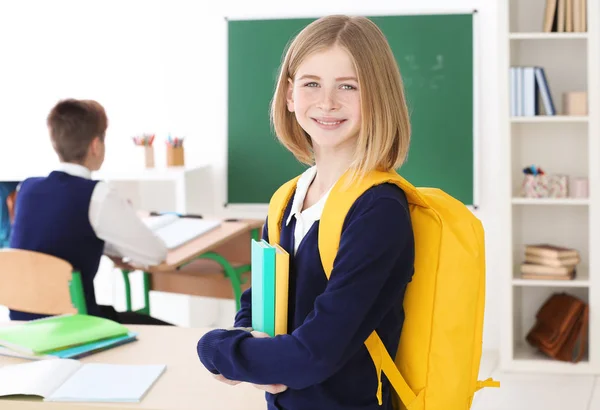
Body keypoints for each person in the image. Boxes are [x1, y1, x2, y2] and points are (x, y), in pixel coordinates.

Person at [197, 15, 415, 410]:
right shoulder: (289, 198)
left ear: (378, 95)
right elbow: (260, 301)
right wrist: (243, 340)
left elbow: (313, 355)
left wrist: (216, 349)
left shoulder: (378, 211)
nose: (327, 102)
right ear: (289, 95)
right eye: (311, 83)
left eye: (348, 86)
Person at [9, 98, 171, 325]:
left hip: (23, 328)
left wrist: (105, 247)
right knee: (175, 337)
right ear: (96, 145)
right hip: (77, 328)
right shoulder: (98, 194)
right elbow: (155, 254)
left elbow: (55, 238)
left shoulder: (26, 187)